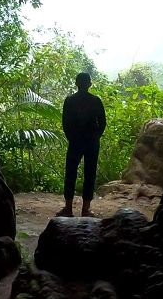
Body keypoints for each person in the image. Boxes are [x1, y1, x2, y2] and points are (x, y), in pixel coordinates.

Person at [56, 72, 106, 218]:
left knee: (70, 173)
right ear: (90, 84)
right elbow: (102, 123)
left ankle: (68, 208)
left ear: (76, 83)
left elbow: (65, 123)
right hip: (91, 142)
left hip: (75, 141)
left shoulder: (70, 100)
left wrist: (71, 137)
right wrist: (96, 136)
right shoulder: (96, 101)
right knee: (90, 174)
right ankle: (86, 209)